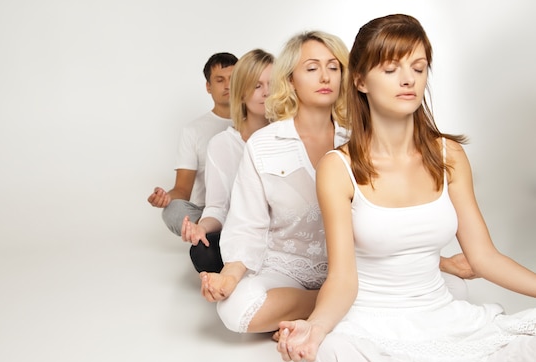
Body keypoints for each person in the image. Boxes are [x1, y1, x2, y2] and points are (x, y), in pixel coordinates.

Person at [277, 14, 536, 362]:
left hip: (445, 320)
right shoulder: (337, 168)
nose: (408, 79)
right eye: (391, 68)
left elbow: (484, 257)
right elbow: (342, 278)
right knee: (329, 358)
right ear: (360, 80)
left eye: (418, 67)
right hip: (371, 329)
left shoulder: (449, 155)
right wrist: (317, 327)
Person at [200, 31, 475, 336]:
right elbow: (247, 224)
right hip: (287, 271)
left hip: (356, 269)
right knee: (237, 309)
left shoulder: (362, 139)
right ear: (291, 79)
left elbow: (389, 218)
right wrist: (230, 275)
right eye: (312, 68)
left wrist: (437, 262)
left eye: (334, 67)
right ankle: (332, 307)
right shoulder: (264, 144)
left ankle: (331, 311)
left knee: (456, 292)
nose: (325, 77)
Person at [181, 48, 274, 273]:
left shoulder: (290, 136)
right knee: (203, 251)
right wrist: (201, 227)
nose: (267, 93)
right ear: (241, 91)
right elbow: (218, 207)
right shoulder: (221, 144)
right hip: (242, 235)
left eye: (273, 85)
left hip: (285, 237)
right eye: (257, 85)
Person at [147, 52, 238, 236]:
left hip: (248, 208)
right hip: (209, 211)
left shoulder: (258, 121)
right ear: (208, 86)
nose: (228, 85)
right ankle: (210, 233)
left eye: (233, 78)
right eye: (220, 80)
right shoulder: (193, 130)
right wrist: (166, 198)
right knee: (173, 211)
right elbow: (182, 189)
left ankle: (219, 239)